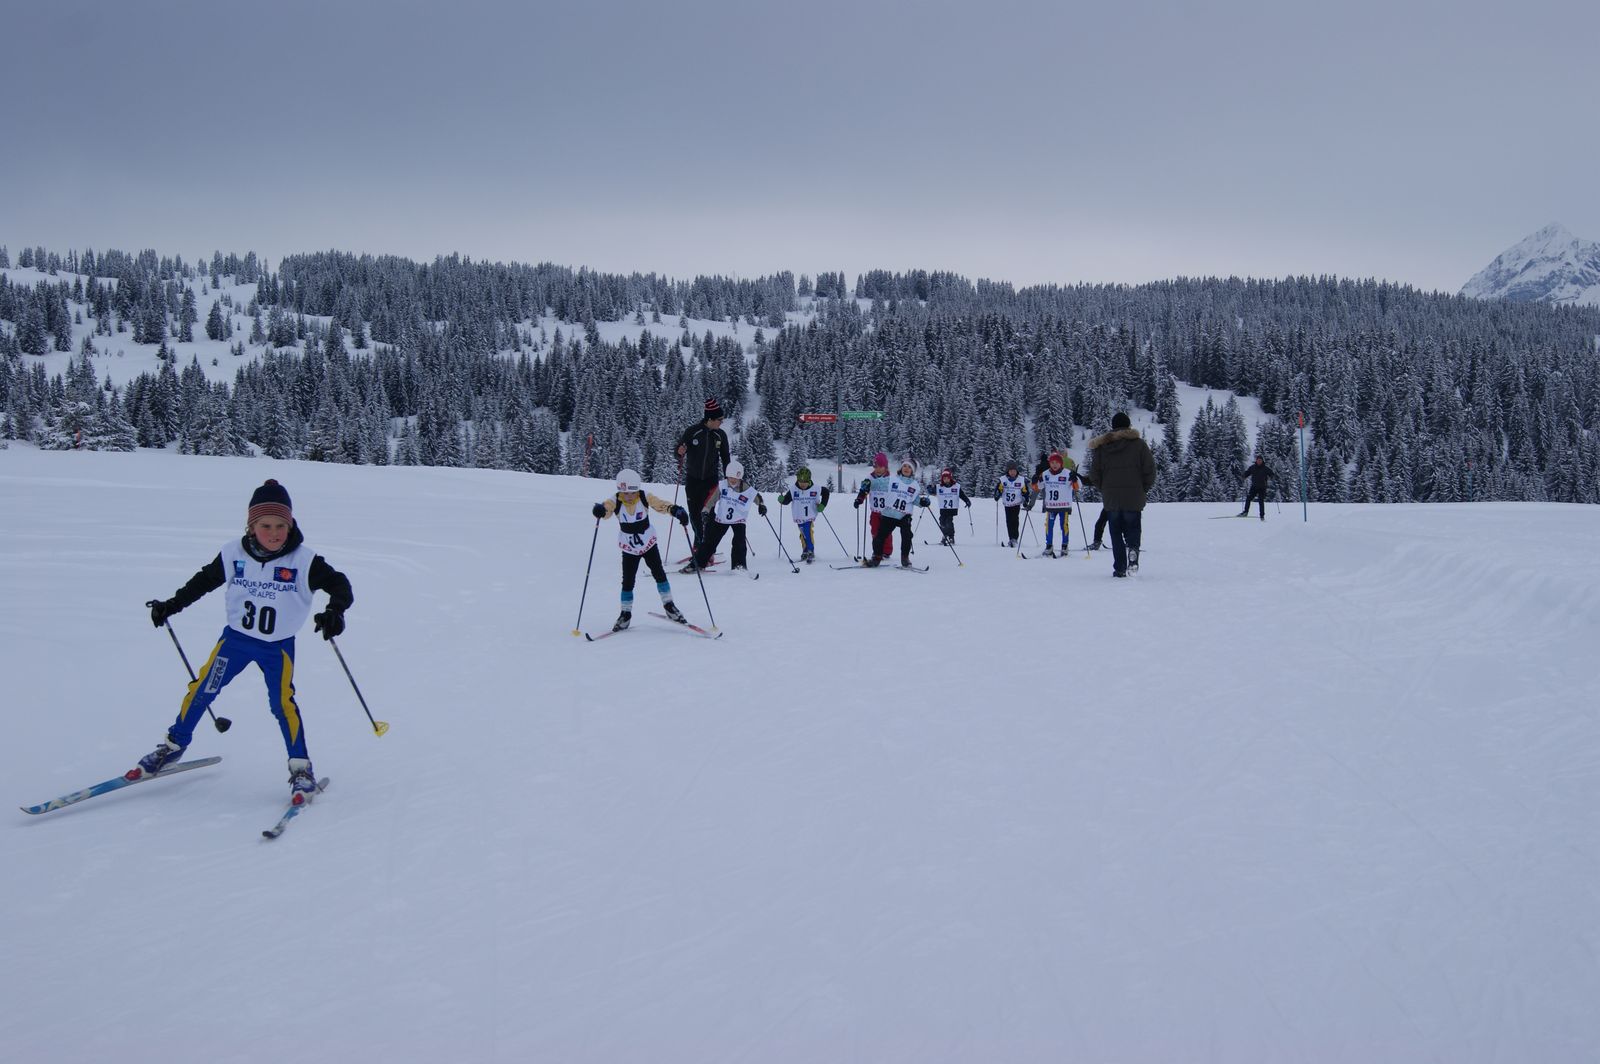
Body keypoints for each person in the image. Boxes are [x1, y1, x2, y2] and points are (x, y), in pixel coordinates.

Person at [137, 479, 354, 804]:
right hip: (235, 642)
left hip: (277, 648)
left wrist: (335, 611)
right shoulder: (233, 554)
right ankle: (173, 746)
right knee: (202, 689)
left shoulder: (303, 561)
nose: (274, 533)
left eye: (281, 525)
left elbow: (339, 584)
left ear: (290, 524)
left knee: (282, 705)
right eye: (266, 525)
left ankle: (301, 769)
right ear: (251, 527)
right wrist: (172, 605)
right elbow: (203, 582)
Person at [593, 468, 692, 631]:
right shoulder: (615, 500)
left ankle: (669, 606)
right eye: (625, 493)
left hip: (648, 544)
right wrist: (600, 510)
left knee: (659, 573)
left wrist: (675, 510)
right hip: (629, 548)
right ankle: (625, 614)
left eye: (632, 492)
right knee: (628, 580)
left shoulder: (644, 496)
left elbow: (660, 504)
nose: (629, 496)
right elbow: (606, 510)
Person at [1085, 412, 1156, 578]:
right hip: (1134, 496)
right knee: (1133, 528)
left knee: (1115, 532)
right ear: (1129, 426)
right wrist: (1142, 489)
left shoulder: (1102, 447)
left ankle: (1120, 567)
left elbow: (1094, 474)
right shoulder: (1139, 445)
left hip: (1112, 498)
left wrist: (1105, 489)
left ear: (1113, 426)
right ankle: (1133, 551)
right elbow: (1150, 470)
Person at [684, 460, 765, 572]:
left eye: (735, 478)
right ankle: (697, 563)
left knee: (739, 542)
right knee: (710, 541)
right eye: (730, 477)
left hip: (738, 519)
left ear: (740, 477)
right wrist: (706, 510)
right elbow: (712, 499)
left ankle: (739, 565)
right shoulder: (722, 485)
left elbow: (757, 497)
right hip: (722, 518)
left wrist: (761, 505)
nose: (733, 480)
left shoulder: (745, 487)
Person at [675, 397, 730, 551]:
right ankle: (698, 544)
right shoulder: (692, 432)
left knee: (708, 516)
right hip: (693, 480)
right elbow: (678, 450)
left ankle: (705, 548)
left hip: (711, 481)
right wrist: (679, 452)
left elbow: (726, 458)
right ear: (710, 419)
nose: (721, 422)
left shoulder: (720, 435)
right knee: (694, 515)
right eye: (719, 420)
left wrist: (729, 479)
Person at [865, 456, 926, 567]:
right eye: (904, 466)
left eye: (909, 467)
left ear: (912, 471)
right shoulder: (892, 479)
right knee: (879, 536)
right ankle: (876, 557)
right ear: (901, 468)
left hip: (904, 515)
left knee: (907, 536)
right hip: (889, 513)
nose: (906, 468)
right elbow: (878, 483)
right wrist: (868, 484)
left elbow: (916, 500)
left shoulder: (914, 485)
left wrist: (922, 502)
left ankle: (905, 558)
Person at [1031, 451, 1080, 557]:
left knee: (1064, 525)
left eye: (1057, 462)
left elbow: (1077, 487)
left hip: (1064, 505)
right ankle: (1049, 546)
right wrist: (1034, 482)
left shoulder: (1067, 473)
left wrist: (1075, 480)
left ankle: (1064, 546)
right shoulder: (1045, 474)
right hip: (1051, 506)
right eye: (1052, 462)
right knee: (1049, 526)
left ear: (1061, 463)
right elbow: (1037, 488)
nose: (1054, 465)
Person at [777, 466, 830, 563]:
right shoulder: (793, 489)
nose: (802, 485)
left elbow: (826, 492)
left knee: (808, 532)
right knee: (803, 534)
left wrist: (823, 505)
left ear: (809, 480)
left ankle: (811, 551)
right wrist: (782, 500)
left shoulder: (816, 488)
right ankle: (805, 550)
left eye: (805, 482)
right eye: (800, 482)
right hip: (799, 516)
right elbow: (787, 500)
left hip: (810, 516)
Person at [853, 451, 893, 556]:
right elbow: (863, 491)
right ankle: (877, 551)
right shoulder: (869, 478)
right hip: (875, 511)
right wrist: (859, 499)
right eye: (876, 467)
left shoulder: (891, 479)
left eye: (880, 467)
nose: (878, 469)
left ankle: (886, 551)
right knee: (875, 531)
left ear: (885, 467)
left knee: (886, 532)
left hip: (887, 512)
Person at [994, 461, 1031, 547]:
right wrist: (997, 494)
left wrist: (1026, 499)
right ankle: (1011, 538)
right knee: (1009, 521)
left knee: (1015, 520)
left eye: (1014, 470)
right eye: (1011, 471)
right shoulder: (1003, 479)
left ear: (1016, 471)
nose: (1012, 472)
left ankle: (1014, 538)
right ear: (1008, 471)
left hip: (1016, 504)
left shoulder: (1021, 480)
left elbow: (1025, 491)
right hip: (1007, 504)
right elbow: (998, 489)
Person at [932, 468, 971, 545]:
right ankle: (945, 535)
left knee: (949, 522)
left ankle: (951, 537)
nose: (946, 480)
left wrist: (967, 501)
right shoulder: (939, 487)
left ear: (950, 478)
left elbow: (962, 495)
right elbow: (932, 492)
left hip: (952, 509)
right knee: (942, 522)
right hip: (943, 509)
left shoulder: (956, 486)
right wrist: (930, 489)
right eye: (944, 478)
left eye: (947, 478)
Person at [1237, 456, 1276, 520]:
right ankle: (1245, 512)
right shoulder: (1253, 467)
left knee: (1261, 501)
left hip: (1262, 487)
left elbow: (1271, 473)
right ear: (1256, 460)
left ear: (1262, 461)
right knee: (1248, 498)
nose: (1259, 461)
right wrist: (1244, 476)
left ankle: (1262, 516)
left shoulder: (1265, 468)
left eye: (1260, 460)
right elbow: (1248, 472)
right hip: (1254, 487)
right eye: (1258, 460)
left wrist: (1272, 477)